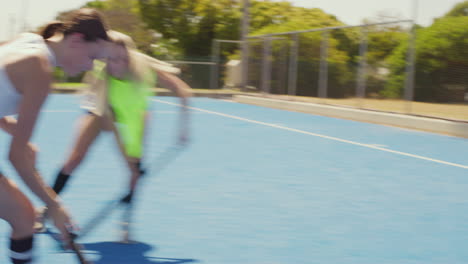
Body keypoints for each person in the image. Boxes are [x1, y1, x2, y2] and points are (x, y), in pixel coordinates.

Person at [35, 31, 192, 241]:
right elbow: (113, 129)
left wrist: (182, 129)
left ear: (130, 58)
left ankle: (126, 223)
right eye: (112, 59)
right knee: (74, 159)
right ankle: (46, 210)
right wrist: (126, 158)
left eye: (123, 59)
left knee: (134, 172)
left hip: (133, 114)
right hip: (101, 112)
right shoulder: (103, 76)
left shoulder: (144, 69)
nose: (117, 64)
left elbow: (183, 91)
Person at [0, 8, 110, 263]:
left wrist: (17, 133)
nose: (92, 67)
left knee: (23, 216)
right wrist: (55, 205)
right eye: (93, 57)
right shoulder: (40, 69)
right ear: (76, 40)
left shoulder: (27, 42)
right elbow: (15, 157)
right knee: (24, 217)